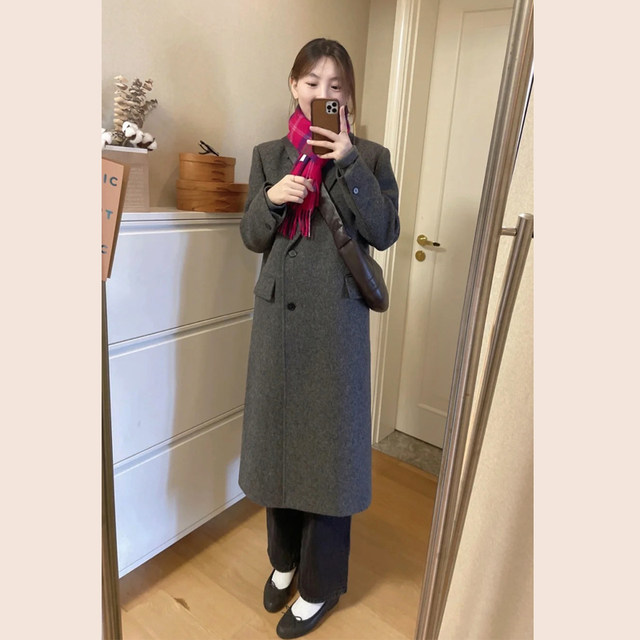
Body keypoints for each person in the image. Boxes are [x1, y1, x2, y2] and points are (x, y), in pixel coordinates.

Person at [238, 37, 400, 639]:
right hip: (279, 324)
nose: (322, 94)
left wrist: (350, 162)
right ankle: (283, 562)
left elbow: (384, 231)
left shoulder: (372, 157)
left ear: (348, 96)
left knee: (329, 457)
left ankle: (320, 584)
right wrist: (271, 199)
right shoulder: (268, 155)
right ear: (294, 86)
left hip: (335, 327)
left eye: (335, 86)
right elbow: (252, 237)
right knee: (278, 445)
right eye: (312, 83)